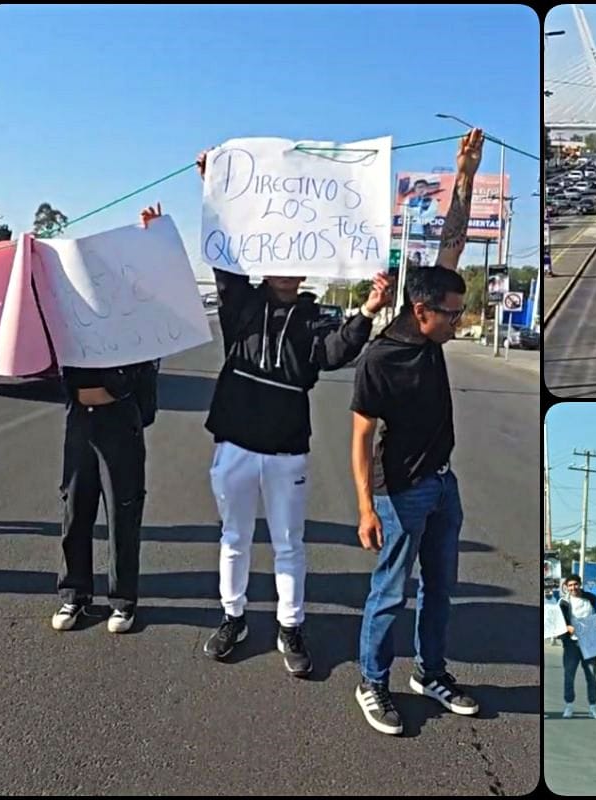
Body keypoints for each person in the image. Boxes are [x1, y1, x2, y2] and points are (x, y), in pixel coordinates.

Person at [189, 136, 395, 682]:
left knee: (289, 544)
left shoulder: (315, 319)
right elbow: (224, 256)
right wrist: (212, 186)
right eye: (276, 260)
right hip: (233, 441)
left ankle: (290, 625)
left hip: (285, 450)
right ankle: (233, 618)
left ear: (306, 271)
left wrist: (368, 311)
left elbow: (334, 354)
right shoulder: (240, 304)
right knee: (233, 539)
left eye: (295, 263)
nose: (285, 270)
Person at [348, 129, 487, 734]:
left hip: (442, 484)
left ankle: (430, 672)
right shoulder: (381, 357)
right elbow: (358, 437)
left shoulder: (435, 311)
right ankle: (372, 683)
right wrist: (364, 509)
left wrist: (466, 175)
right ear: (422, 311)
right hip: (398, 490)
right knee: (389, 593)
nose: (462, 320)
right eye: (454, 314)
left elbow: (452, 240)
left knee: (440, 591)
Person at [50, 209, 160, 634]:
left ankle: (122, 600)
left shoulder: (134, 313)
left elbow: (157, 291)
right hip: (80, 419)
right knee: (75, 509)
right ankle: (74, 595)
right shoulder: (71, 309)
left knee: (123, 510)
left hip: (120, 421)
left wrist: (153, 239)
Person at [558, 575, 596, 720]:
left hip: (590, 643)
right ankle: (569, 706)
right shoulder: (563, 602)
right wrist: (567, 627)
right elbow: (559, 621)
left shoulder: (591, 598)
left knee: (592, 676)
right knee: (569, 675)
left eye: (575, 584)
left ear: (580, 585)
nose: (573, 587)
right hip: (571, 644)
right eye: (570, 585)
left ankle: (593, 707)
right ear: (566, 587)